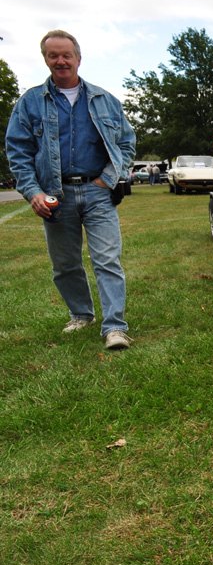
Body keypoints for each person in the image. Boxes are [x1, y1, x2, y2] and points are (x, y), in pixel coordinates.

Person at [5, 29, 136, 350]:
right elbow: (18, 151)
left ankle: (115, 327)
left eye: (66, 55)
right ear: (46, 59)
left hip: (97, 193)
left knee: (107, 260)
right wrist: (33, 191)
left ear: (78, 58)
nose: (61, 61)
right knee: (65, 264)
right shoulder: (31, 102)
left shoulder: (105, 100)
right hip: (54, 195)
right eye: (54, 55)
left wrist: (108, 178)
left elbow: (127, 143)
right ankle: (81, 314)